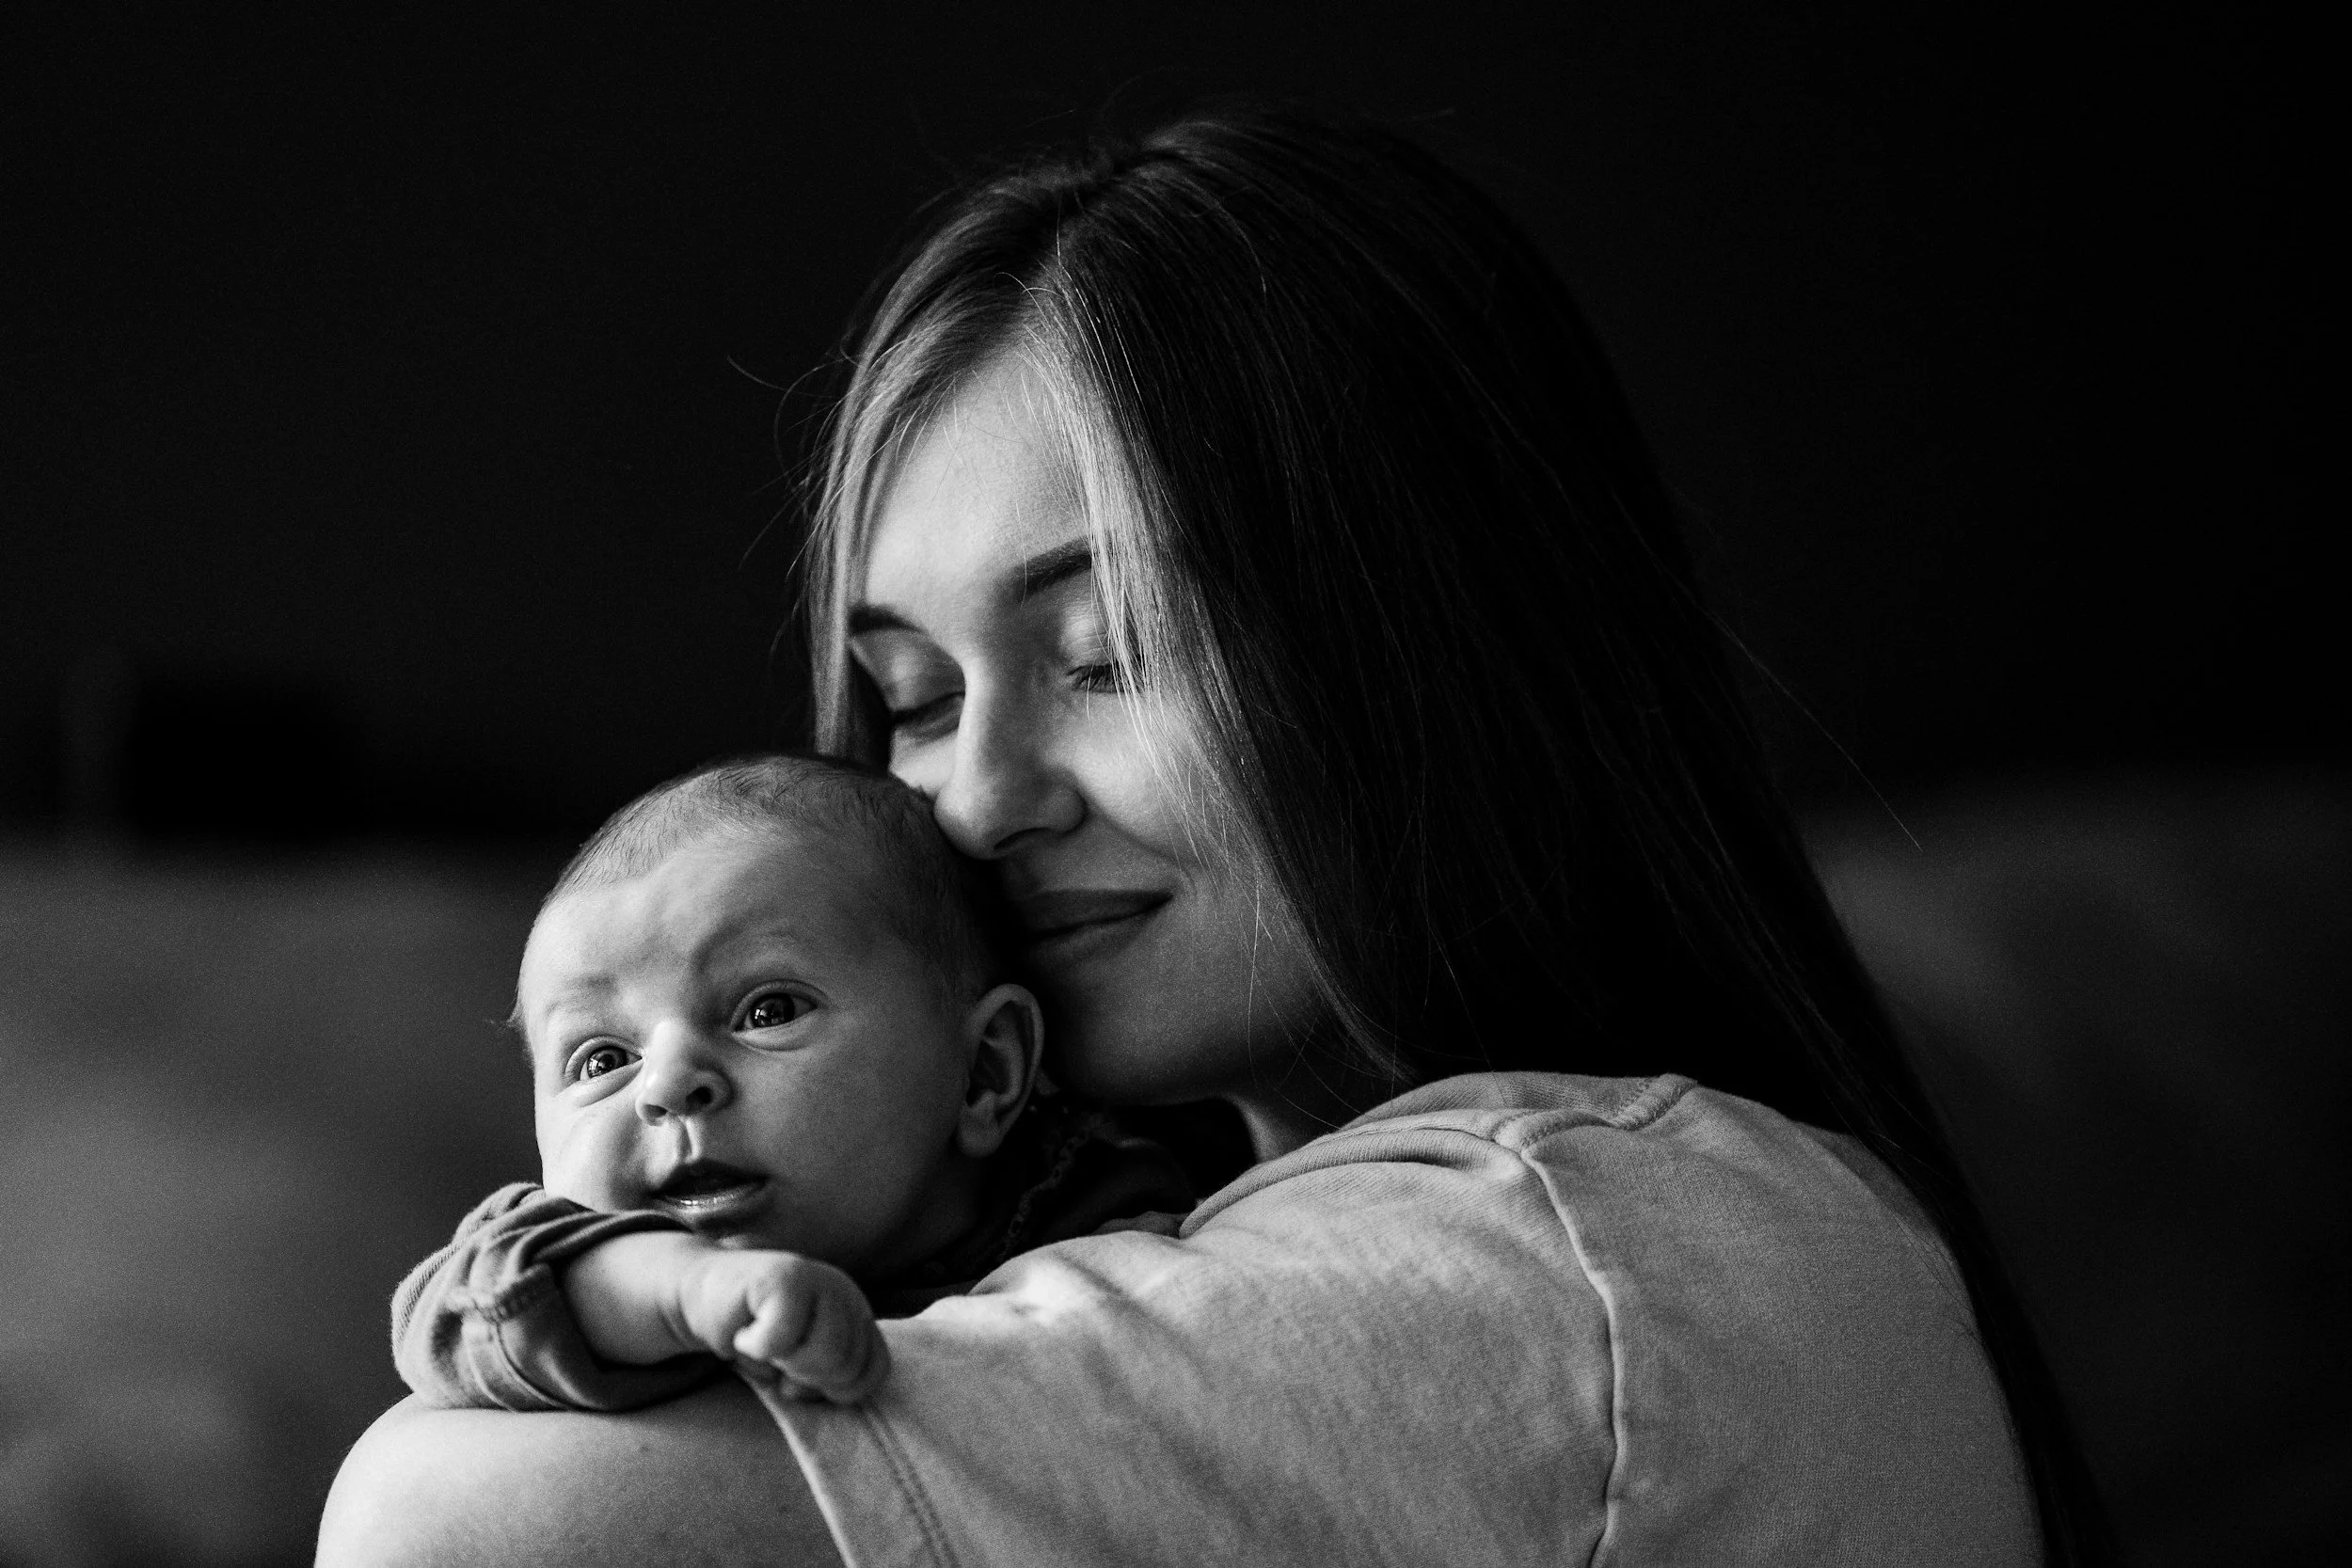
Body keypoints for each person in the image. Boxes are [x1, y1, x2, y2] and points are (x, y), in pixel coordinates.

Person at [320, 103, 2112, 1564]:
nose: (976, 796)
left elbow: (455, 1524)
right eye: (919, 701)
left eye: (1109, 654)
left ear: (1445, 643)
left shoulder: (1575, 1247)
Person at [390, 753, 1190, 1413]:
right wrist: (689, 1292)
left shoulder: (1118, 1200)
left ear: (985, 1071)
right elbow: (462, 1312)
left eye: (767, 1009)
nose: (668, 1085)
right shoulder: (555, 1260)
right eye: (602, 1060)